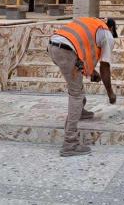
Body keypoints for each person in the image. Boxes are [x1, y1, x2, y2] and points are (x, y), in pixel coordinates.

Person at [47, 16, 117, 157]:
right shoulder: (107, 34)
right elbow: (105, 67)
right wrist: (110, 93)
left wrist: (91, 72)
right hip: (66, 51)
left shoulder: (91, 23)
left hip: (53, 46)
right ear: (112, 28)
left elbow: (80, 51)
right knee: (76, 94)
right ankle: (70, 143)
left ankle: (80, 111)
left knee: (76, 85)